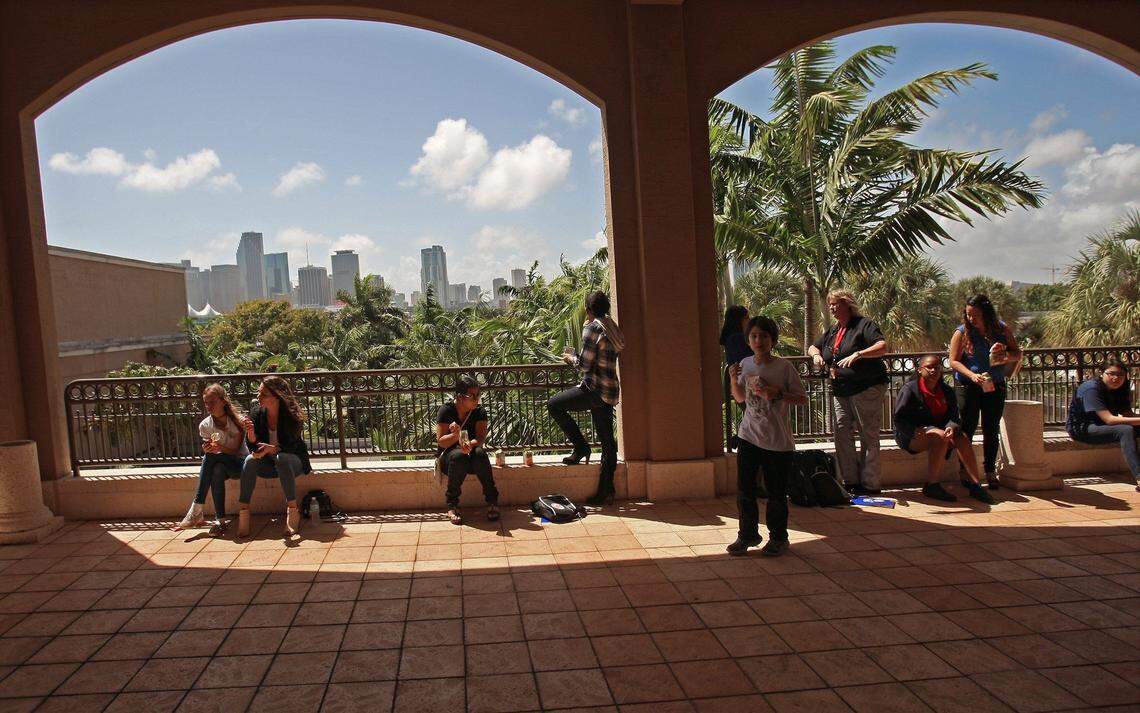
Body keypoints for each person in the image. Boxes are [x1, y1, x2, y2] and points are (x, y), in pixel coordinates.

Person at [727, 315, 807, 557]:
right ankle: (747, 535)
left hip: (777, 441)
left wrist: (777, 393)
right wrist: (733, 379)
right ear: (748, 340)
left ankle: (779, 538)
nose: (758, 341)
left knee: (776, 493)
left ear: (772, 340)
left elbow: (801, 398)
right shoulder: (745, 364)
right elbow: (740, 397)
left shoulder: (783, 367)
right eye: (753, 336)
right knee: (745, 490)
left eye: (763, 336)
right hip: (749, 435)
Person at [807, 289, 889, 494]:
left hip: (865, 387)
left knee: (868, 434)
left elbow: (882, 346)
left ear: (847, 304)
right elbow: (813, 347)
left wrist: (859, 354)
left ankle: (870, 483)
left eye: (836, 303)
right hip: (840, 389)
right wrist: (816, 355)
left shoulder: (864, 325)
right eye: (830, 304)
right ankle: (850, 481)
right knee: (842, 432)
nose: (832, 308)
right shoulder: (834, 330)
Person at [548, 290, 625, 507]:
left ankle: (581, 447)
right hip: (610, 390)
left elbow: (584, 365)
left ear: (588, 310)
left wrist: (570, 357)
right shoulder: (611, 326)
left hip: (594, 389)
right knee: (607, 441)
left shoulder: (593, 328)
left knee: (554, 405)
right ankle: (606, 489)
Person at [894, 355, 995, 504]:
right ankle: (932, 485)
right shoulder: (910, 389)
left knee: (962, 438)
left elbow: (954, 416)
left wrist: (951, 427)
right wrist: (916, 431)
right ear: (920, 370)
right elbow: (899, 418)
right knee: (939, 436)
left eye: (937, 367)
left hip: (941, 433)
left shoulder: (946, 390)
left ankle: (975, 484)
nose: (933, 370)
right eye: (929, 367)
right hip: (913, 435)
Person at [949, 294, 1021, 489]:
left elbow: (1017, 353)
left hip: (994, 384)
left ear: (986, 314)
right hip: (968, 385)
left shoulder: (1001, 329)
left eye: (976, 315)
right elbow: (953, 361)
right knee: (967, 427)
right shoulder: (962, 332)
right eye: (968, 315)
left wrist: (1004, 356)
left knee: (991, 427)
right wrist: (972, 376)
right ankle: (966, 471)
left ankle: (989, 470)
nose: (971, 319)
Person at [236, 375, 312, 537]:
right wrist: (251, 433)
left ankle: (293, 512)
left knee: (282, 458)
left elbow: (291, 446)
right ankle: (243, 514)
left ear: (277, 397)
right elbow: (253, 447)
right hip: (269, 464)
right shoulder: (257, 413)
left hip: (292, 462)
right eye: (258, 392)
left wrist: (272, 449)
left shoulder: (292, 416)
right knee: (249, 460)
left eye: (263, 394)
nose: (258, 397)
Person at [174, 384, 252, 534]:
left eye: (212, 402)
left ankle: (196, 508)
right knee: (216, 470)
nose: (209, 406)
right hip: (221, 464)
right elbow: (212, 448)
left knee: (210, 457)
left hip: (239, 464)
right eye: (206, 403)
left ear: (223, 401)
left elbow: (235, 451)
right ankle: (220, 521)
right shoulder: (205, 425)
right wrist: (209, 448)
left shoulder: (237, 421)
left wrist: (217, 449)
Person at [1067, 359, 1140, 490]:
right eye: (1111, 374)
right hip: (1084, 429)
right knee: (1125, 430)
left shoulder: (1121, 388)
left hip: (1105, 426)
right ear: (1101, 373)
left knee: (1129, 428)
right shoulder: (1091, 388)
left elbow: (1128, 415)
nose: (1116, 378)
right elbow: (1109, 420)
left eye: (1121, 375)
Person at [437, 375, 499, 525]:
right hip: (450, 458)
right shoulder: (446, 410)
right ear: (459, 396)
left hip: (471, 454)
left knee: (480, 454)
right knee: (459, 456)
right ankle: (452, 505)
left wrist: (469, 445)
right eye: (471, 396)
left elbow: (480, 438)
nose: (476, 399)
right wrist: (456, 435)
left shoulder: (479, 411)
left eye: (478, 395)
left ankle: (492, 501)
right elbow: (441, 442)